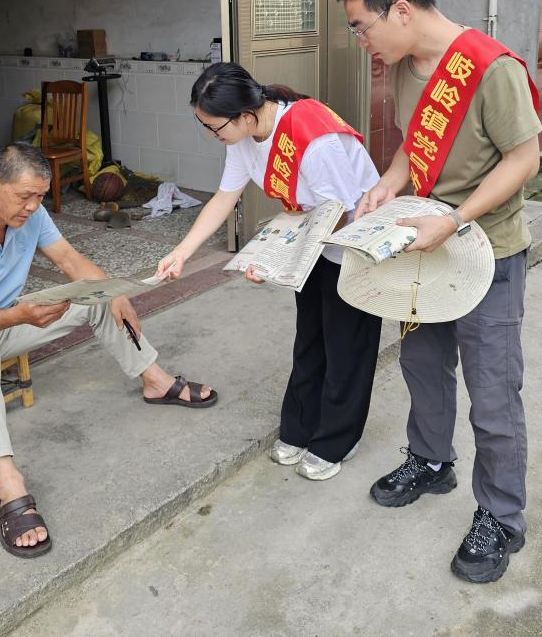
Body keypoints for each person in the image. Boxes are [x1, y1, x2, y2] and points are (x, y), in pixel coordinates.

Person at [334, 0, 541, 583]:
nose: (362, 42)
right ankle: (430, 461)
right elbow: (414, 143)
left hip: (487, 252)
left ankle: (501, 516)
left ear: (401, 10)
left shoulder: (491, 69)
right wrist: (388, 183)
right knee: (423, 366)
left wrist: (455, 220)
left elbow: (524, 159)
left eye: (362, 27)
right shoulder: (405, 66)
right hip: (423, 248)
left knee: (493, 391)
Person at [0, 143, 217, 558]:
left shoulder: (30, 213)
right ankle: (9, 484)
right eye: (25, 196)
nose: (33, 207)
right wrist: (19, 315)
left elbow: (71, 262)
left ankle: (155, 381)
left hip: (5, 323)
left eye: (39, 196)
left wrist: (114, 292)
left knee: (95, 296)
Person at [156, 63, 381, 482]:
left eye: (215, 128)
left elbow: (340, 212)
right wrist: (181, 252)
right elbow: (224, 198)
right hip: (311, 232)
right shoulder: (243, 136)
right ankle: (300, 428)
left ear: (245, 115)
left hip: (352, 240)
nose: (212, 136)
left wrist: (279, 259)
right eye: (205, 127)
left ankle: (337, 440)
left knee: (347, 344)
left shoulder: (313, 138)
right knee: (310, 338)